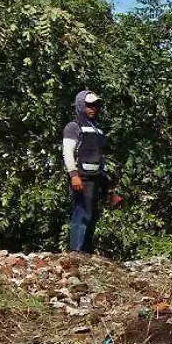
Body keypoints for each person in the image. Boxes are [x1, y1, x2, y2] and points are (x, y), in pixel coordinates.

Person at [62, 90, 107, 253]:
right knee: (81, 213)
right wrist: (73, 175)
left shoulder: (98, 129)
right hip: (81, 178)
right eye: (89, 105)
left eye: (95, 105)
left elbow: (102, 156)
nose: (93, 108)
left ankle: (86, 252)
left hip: (96, 178)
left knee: (92, 215)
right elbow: (67, 152)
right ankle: (76, 252)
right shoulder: (74, 126)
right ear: (81, 105)